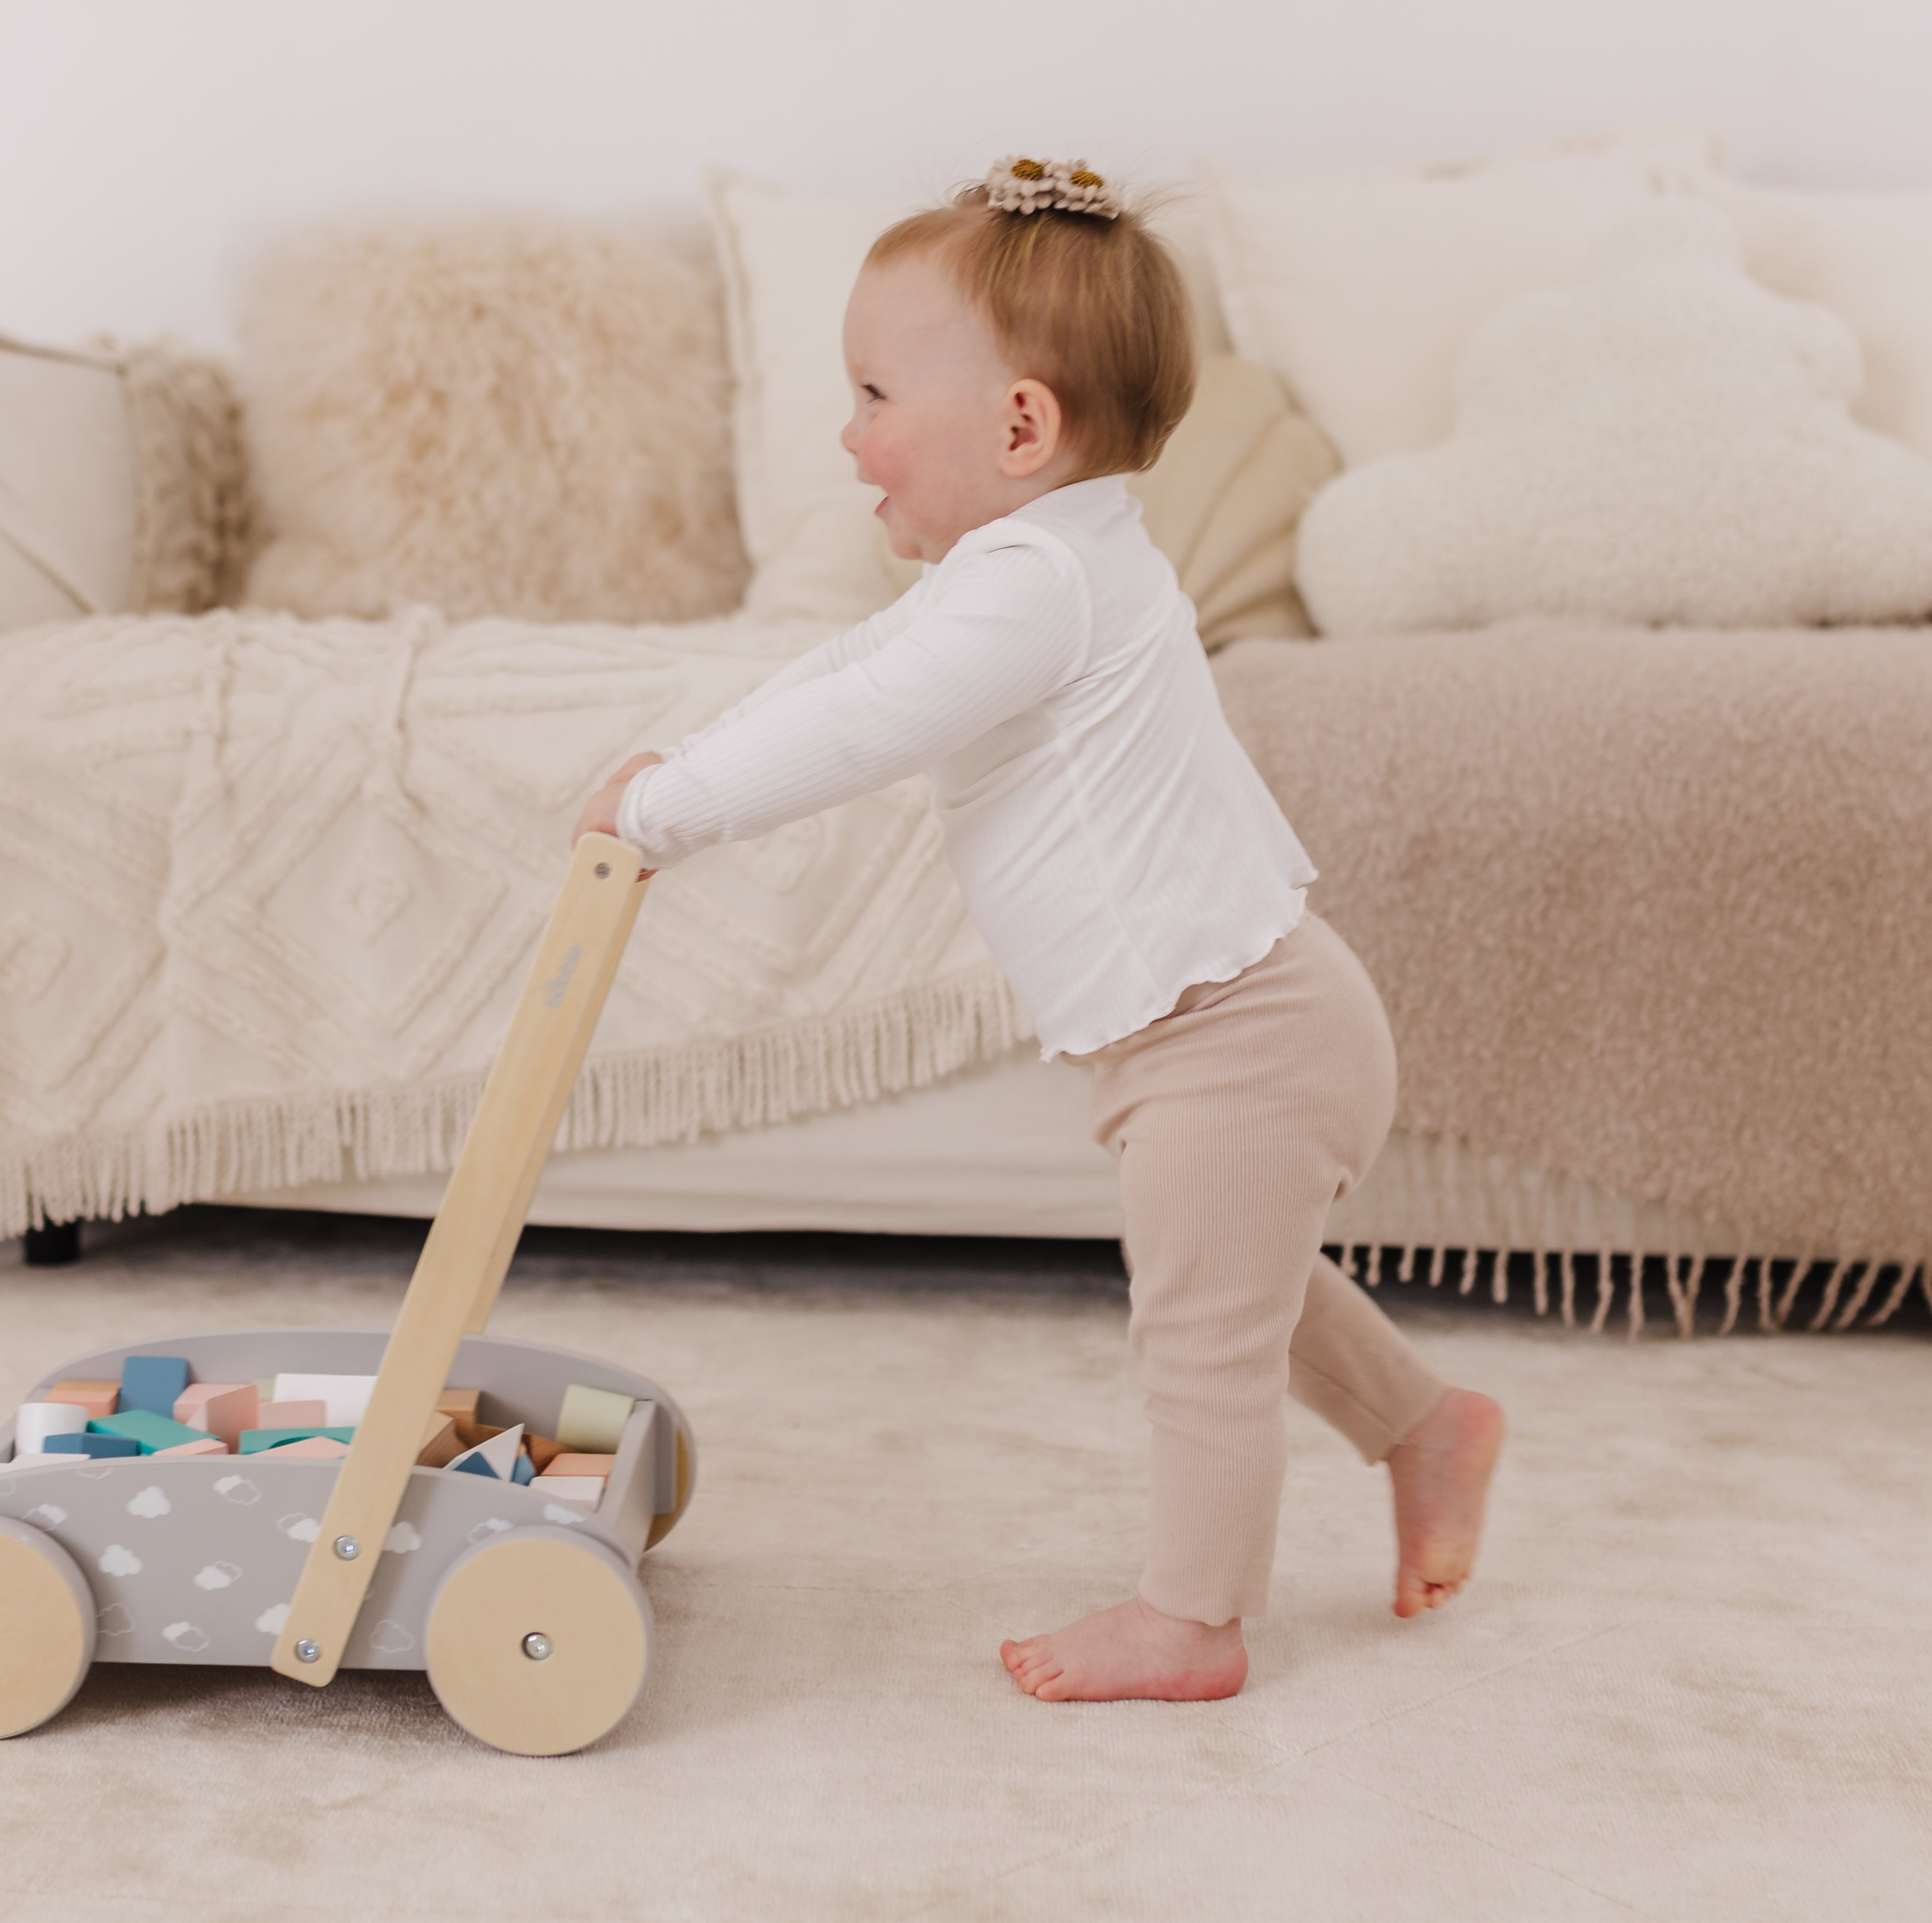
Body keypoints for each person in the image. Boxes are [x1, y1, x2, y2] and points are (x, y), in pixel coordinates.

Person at [573, 157, 1504, 1703]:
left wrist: (673, 816)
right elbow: (848, 667)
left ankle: (1192, 1620)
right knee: (1235, 1281)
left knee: (1195, 1335)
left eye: (873, 392)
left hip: (1239, 1029)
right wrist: (673, 776)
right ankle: (1421, 1424)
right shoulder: (1033, 565)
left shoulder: (1033, 586)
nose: (849, 431)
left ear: (1017, 427)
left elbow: (868, 720)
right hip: (1230, 1022)